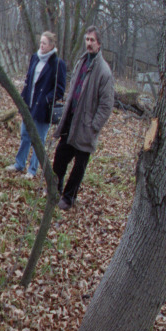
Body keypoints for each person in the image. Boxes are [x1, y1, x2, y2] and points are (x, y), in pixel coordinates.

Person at [51, 26, 115, 210]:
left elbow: (106, 105)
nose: (89, 43)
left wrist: (93, 126)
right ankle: (55, 190)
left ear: (99, 44)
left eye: (92, 40)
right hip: (71, 120)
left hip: (86, 126)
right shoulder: (82, 62)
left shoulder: (104, 71)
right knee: (60, 158)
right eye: (87, 39)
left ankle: (68, 198)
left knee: (79, 167)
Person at [6, 31, 66, 177]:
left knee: (38, 140)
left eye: (44, 43)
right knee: (25, 135)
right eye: (41, 42)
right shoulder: (35, 57)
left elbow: (60, 89)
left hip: (43, 109)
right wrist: (22, 98)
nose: (41, 45)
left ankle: (32, 170)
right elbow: (28, 79)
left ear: (51, 46)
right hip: (29, 105)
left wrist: (47, 99)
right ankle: (19, 164)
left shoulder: (58, 64)